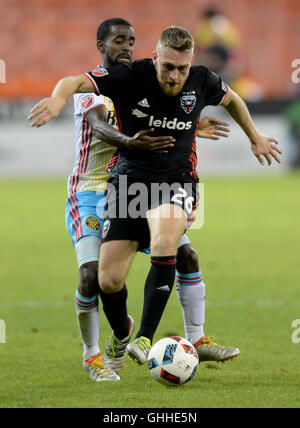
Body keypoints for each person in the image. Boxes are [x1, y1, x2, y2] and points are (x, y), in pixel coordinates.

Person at [28, 25, 281, 381]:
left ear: (190, 63)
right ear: (155, 58)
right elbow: (88, 107)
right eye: (168, 67)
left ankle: (154, 338)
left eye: (182, 68)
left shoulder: (200, 80)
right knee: (106, 280)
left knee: (174, 247)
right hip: (118, 184)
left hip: (174, 183)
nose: (175, 75)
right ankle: (118, 338)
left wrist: (250, 136)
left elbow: (230, 100)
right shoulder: (125, 78)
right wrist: (58, 100)